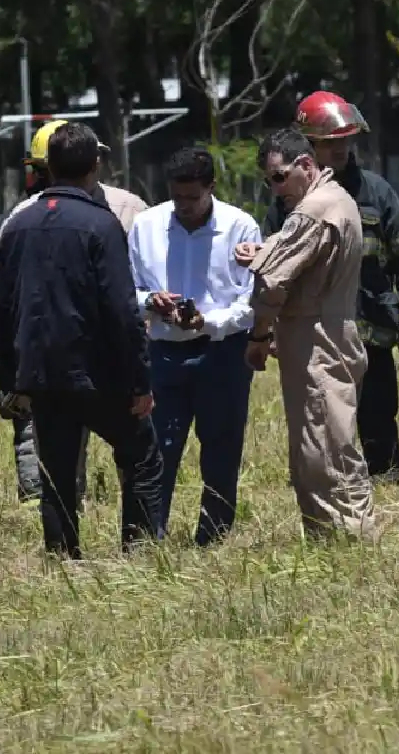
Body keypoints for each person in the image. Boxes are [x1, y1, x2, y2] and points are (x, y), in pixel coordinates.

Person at [0, 121, 163, 558]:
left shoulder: (19, 225)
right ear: (95, 164)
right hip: (98, 373)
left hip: (41, 374)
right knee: (142, 457)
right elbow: (122, 312)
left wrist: (9, 377)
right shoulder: (101, 225)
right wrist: (140, 381)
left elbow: (0, 310)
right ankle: (139, 552)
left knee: (57, 472)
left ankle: (62, 557)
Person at [261, 91, 399, 485]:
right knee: (318, 410)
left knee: (378, 407)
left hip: (370, 325)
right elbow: (271, 268)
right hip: (314, 330)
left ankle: (387, 476)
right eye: (329, 142)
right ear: (308, 147)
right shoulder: (287, 202)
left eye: (345, 141)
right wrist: (268, 329)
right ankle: (329, 482)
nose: (340, 149)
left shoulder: (376, 192)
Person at [236, 128, 377, 541]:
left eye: (280, 177)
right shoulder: (335, 200)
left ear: (306, 165)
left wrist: (259, 335)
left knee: (323, 444)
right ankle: (334, 535)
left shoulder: (312, 209)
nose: (275, 188)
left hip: (315, 338)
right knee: (328, 435)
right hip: (329, 331)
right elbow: (296, 255)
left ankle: (345, 537)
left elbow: (273, 282)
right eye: (268, 180)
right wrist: (265, 252)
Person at [128, 146, 261, 546]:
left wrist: (209, 322)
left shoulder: (240, 227)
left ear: (211, 188)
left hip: (222, 353)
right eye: (177, 197)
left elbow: (252, 300)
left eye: (193, 197)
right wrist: (150, 301)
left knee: (221, 449)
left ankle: (214, 535)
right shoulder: (146, 225)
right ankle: (149, 536)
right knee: (156, 451)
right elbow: (126, 286)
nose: (184, 206)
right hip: (163, 353)